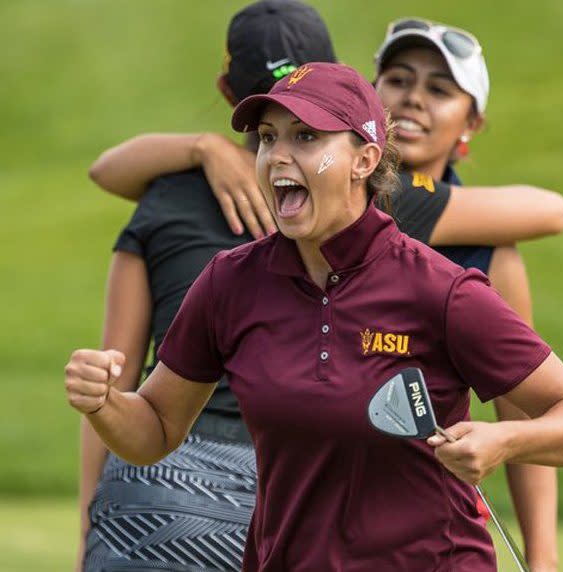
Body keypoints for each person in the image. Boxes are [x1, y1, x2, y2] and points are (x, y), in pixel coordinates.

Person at [65, 61, 563, 572]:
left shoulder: (439, 290)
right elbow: (157, 429)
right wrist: (106, 403)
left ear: (364, 160)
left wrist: (503, 442)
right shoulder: (230, 282)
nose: (278, 155)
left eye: (305, 136)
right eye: (268, 137)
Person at [75, 2, 339, 571]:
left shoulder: (163, 196)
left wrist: (88, 527)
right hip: (293, 494)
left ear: (228, 91)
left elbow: (113, 382)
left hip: (150, 493)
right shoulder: (364, 208)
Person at [372, 18, 560, 570]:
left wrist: (543, 558)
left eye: (439, 89)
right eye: (399, 79)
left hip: (434, 531)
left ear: (471, 121)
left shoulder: (491, 254)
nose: (412, 98)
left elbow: (522, 411)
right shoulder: (326, 204)